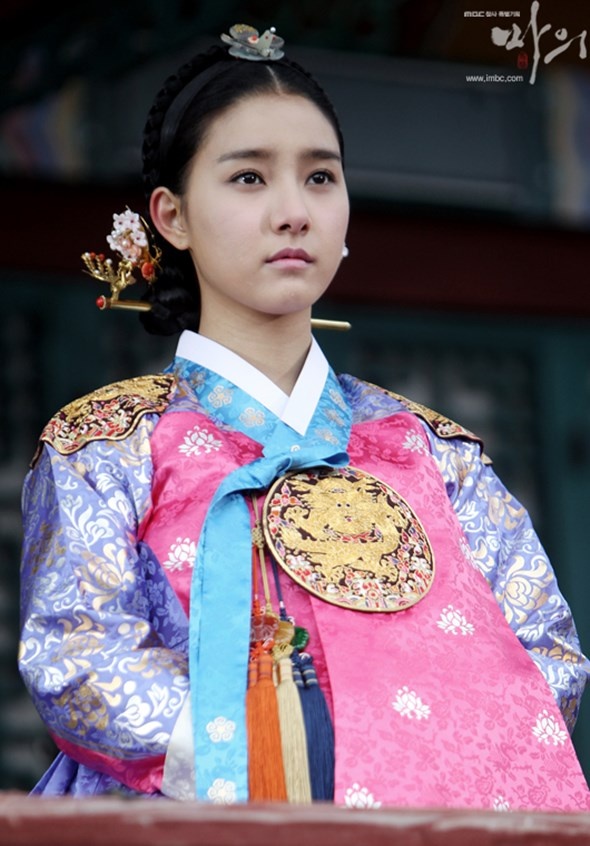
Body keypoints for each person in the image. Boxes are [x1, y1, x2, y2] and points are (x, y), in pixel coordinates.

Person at [19, 24, 590, 810]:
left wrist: (408, 771)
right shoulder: (107, 446)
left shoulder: (432, 451)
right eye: (249, 178)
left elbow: (545, 650)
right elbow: (78, 654)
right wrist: (276, 760)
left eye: (320, 177)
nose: (293, 211)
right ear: (172, 216)